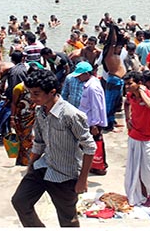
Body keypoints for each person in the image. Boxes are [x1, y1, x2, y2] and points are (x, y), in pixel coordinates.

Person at [11, 69, 96, 227]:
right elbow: (39, 142)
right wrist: (31, 165)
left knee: (67, 219)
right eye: (30, 93)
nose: (32, 98)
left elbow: (90, 148)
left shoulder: (71, 115)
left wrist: (83, 180)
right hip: (43, 166)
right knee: (20, 201)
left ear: (52, 92)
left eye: (36, 94)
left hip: (65, 175)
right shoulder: (39, 110)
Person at [122, 71, 150, 206]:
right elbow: (126, 103)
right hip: (134, 135)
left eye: (130, 84)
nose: (127, 87)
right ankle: (141, 193)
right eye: (125, 84)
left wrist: (142, 91)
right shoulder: (130, 95)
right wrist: (127, 118)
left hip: (148, 137)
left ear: (139, 83)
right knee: (134, 168)